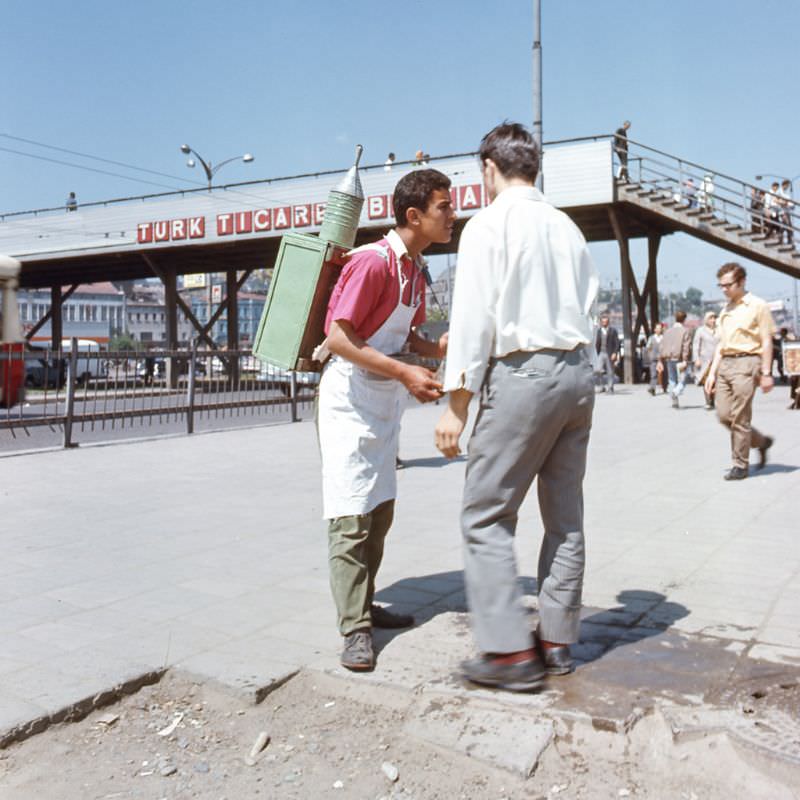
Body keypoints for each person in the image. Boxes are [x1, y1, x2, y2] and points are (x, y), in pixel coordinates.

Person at [434, 122, 599, 692]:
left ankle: (507, 655)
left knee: (485, 515)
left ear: (488, 168)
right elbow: (590, 306)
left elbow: (473, 320)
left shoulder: (488, 224)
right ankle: (556, 641)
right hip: (578, 375)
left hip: (523, 373)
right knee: (565, 517)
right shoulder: (568, 227)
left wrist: (457, 405)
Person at [318, 169, 455, 671]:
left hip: (383, 403)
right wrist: (405, 372)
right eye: (444, 206)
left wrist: (432, 349)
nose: (453, 215)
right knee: (351, 512)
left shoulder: (415, 270)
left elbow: (402, 335)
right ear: (414, 215)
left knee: (379, 509)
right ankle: (353, 629)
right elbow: (339, 338)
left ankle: (365, 604)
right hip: (348, 402)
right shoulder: (373, 263)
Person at [705, 263, 775, 480]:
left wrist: (766, 372)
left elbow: (766, 340)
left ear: (742, 282)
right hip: (726, 363)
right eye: (721, 285)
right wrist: (711, 373)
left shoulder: (758, 306)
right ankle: (761, 442)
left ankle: (740, 464)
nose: (724, 289)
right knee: (724, 415)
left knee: (740, 417)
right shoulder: (726, 310)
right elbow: (721, 344)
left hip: (747, 362)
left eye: (728, 285)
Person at [659, 310, 693, 408]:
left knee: (672, 379)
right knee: (684, 378)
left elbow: (662, 345)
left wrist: (661, 358)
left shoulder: (668, 331)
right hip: (680, 358)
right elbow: (686, 346)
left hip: (669, 358)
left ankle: (674, 401)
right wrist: (686, 359)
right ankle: (676, 391)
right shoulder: (685, 331)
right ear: (684, 319)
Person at [693, 311, 718, 408]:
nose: (713, 320)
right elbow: (695, 346)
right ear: (706, 320)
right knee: (706, 380)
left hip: (717, 360)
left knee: (716, 380)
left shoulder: (719, 330)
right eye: (711, 318)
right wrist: (696, 359)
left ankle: (714, 399)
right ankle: (708, 401)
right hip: (705, 361)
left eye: (714, 318)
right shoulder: (700, 330)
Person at [594, 314, 619, 393]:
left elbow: (617, 343)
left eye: (606, 322)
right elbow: (597, 343)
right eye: (603, 322)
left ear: (608, 322)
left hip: (610, 353)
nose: (604, 323)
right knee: (598, 370)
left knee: (610, 371)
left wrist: (615, 353)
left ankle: (610, 387)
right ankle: (602, 386)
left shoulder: (613, 331)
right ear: (601, 322)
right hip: (601, 353)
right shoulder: (599, 331)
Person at [645, 321, 665, 395]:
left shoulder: (664, 337)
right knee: (653, 374)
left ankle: (664, 386)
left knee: (663, 373)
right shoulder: (651, 338)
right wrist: (650, 354)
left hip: (662, 359)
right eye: (657, 328)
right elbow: (648, 347)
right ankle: (652, 388)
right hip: (653, 359)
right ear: (654, 329)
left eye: (660, 328)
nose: (659, 330)